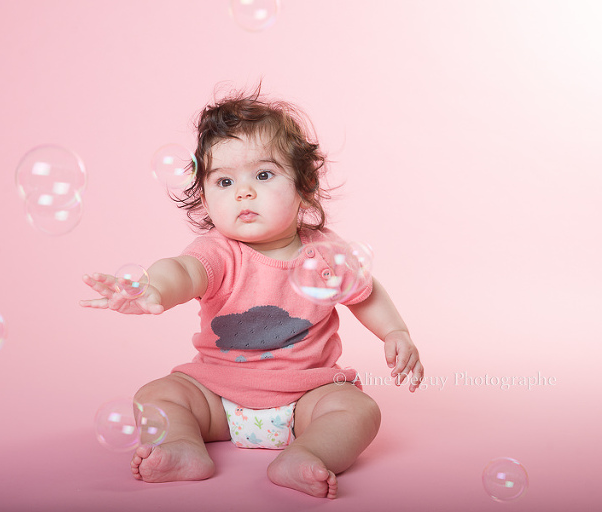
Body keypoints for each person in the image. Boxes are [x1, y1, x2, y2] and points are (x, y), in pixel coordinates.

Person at [80, 86, 424, 499]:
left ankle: (308, 453)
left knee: (358, 409)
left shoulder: (326, 253)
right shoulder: (218, 252)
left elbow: (364, 293)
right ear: (204, 198)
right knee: (158, 395)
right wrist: (152, 288)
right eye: (224, 181)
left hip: (305, 399)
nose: (243, 192)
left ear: (304, 183)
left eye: (263, 175)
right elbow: (183, 272)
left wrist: (395, 332)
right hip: (217, 398)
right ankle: (182, 448)